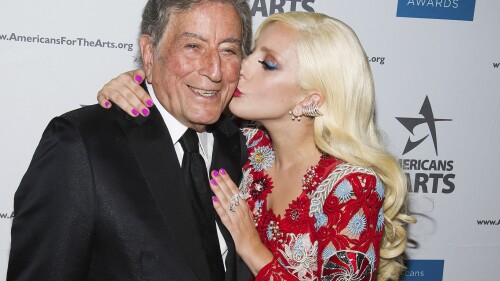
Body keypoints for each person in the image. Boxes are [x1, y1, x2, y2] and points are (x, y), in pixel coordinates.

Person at [97, 11, 416, 281]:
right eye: (250, 53)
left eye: (269, 64)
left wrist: (252, 248)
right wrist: (137, 82)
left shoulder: (352, 186)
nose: (240, 67)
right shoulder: (243, 143)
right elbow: (183, 102)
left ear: (309, 99)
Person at [8, 0, 253, 280]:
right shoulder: (82, 145)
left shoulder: (240, 146)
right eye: (193, 47)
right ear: (149, 52)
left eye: (228, 50)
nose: (215, 70)